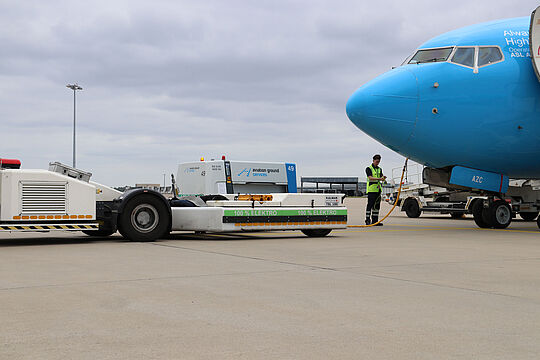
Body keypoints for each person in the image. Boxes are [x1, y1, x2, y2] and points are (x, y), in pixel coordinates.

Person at [365, 154, 386, 225]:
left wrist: (383, 178)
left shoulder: (379, 169)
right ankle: (367, 220)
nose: (377, 163)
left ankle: (375, 221)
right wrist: (379, 179)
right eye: (376, 161)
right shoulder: (368, 168)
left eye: (378, 162)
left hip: (378, 190)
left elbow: (381, 177)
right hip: (371, 190)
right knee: (370, 205)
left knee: (377, 206)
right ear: (373, 160)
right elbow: (370, 177)